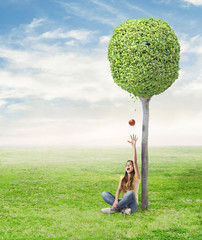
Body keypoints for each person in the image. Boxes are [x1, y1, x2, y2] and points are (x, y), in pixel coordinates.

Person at [101, 134, 140, 215]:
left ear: (133, 167)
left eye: (130, 164)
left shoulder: (137, 177)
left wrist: (134, 146)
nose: (127, 166)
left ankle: (113, 209)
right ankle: (122, 209)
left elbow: (135, 162)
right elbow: (118, 190)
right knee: (104, 194)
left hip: (132, 204)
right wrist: (115, 201)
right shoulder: (122, 178)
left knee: (131, 193)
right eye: (126, 165)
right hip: (123, 202)